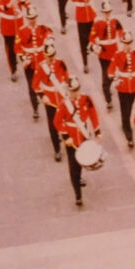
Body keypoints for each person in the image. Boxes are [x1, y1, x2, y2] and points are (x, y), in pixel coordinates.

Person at [55, 78, 101, 207]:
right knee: (73, 166)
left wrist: (97, 131)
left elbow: (93, 115)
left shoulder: (86, 99)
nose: (75, 93)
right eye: (72, 91)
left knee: (81, 161)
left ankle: (78, 178)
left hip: (84, 136)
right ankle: (78, 195)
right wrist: (65, 137)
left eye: (76, 90)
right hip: (72, 139)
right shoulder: (65, 104)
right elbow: (57, 122)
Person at [108, 31, 135, 148]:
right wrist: (115, 78)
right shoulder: (118, 54)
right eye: (126, 43)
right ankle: (128, 132)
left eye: (129, 43)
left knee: (129, 106)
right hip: (122, 85)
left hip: (134, 85)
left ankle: (125, 121)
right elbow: (111, 70)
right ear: (122, 43)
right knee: (124, 107)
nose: (128, 45)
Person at [89, 0, 124, 109]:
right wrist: (96, 46)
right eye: (106, 12)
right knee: (106, 76)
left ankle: (114, 90)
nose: (107, 14)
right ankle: (108, 98)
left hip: (114, 52)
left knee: (115, 74)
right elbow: (92, 38)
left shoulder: (115, 22)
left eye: (109, 11)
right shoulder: (98, 23)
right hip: (104, 54)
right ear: (102, 12)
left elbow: (121, 34)